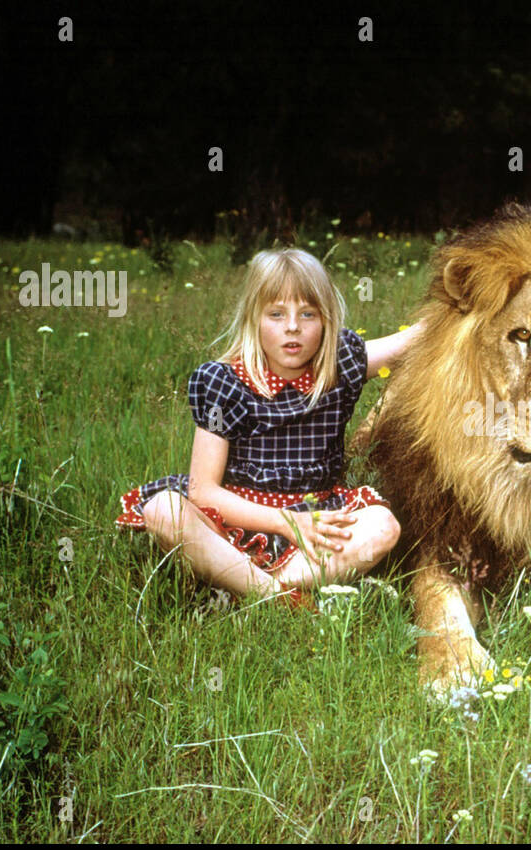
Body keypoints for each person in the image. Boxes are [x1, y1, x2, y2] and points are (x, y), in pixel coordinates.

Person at [115, 248, 419, 608]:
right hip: (232, 519)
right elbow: (204, 492)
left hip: (315, 518)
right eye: (276, 314)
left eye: (308, 313)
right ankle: (279, 597)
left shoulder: (339, 366)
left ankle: (236, 584)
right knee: (163, 511)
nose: (293, 326)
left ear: (326, 320)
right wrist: (285, 523)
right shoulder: (223, 382)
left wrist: (471, 300)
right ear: (253, 319)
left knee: (383, 527)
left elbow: (412, 340)